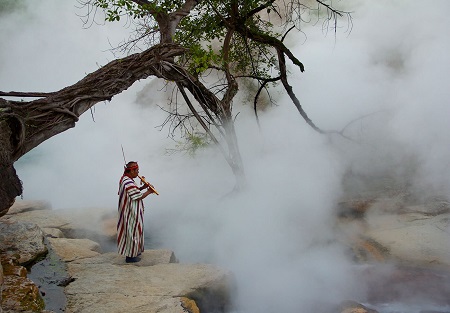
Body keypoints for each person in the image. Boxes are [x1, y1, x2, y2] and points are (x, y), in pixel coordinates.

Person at [117, 161, 155, 263]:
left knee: (135, 231)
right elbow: (138, 196)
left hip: (132, 211)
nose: (138, 173)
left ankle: (135, 251)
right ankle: (130, 256)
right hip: (130, 212)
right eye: (137, 170)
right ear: (132, 170)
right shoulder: (128, 182)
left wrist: (143, 187)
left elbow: (135, 190)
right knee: (132, 232)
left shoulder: (126, 179)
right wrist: (149, 191)